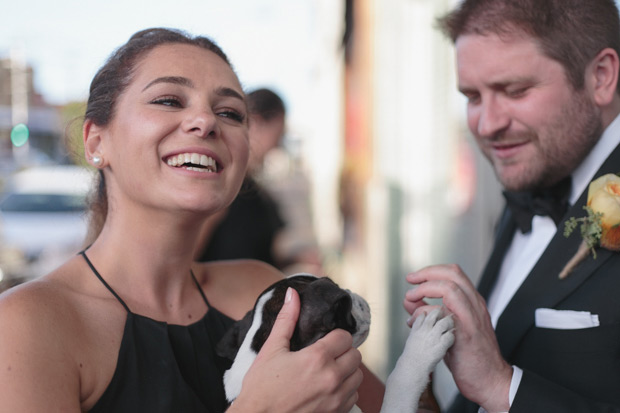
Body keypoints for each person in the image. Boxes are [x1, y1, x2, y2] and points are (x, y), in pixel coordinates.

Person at [0, 28, 385, 412]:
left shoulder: (264, 293)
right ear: (96, 142)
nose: (205, 121)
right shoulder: (27, 325)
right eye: (169, 100)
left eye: (230, 113)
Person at [403, 0, 620, 411]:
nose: (487, 126)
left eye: (515, 90)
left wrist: (501, 386)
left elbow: (494, 383)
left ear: (602, 76)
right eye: (472, 96)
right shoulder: (534, 172)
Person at [195, 88, 324, 274]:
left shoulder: (257, 193)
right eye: (278, 134)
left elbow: (259, 257)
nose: (278, 144)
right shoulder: (223, 185)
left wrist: (296, 260)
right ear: (256, 122)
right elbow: (191, 257)